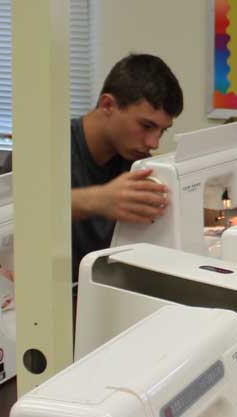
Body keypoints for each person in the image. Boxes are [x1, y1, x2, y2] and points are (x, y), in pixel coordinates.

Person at [68, 53, 184, 279]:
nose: (153, 142)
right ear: (107, 105)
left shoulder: (134, 159)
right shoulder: (44, 151)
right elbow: (13, 217)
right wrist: (98, 200)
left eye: (162, 131)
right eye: (146, 126)